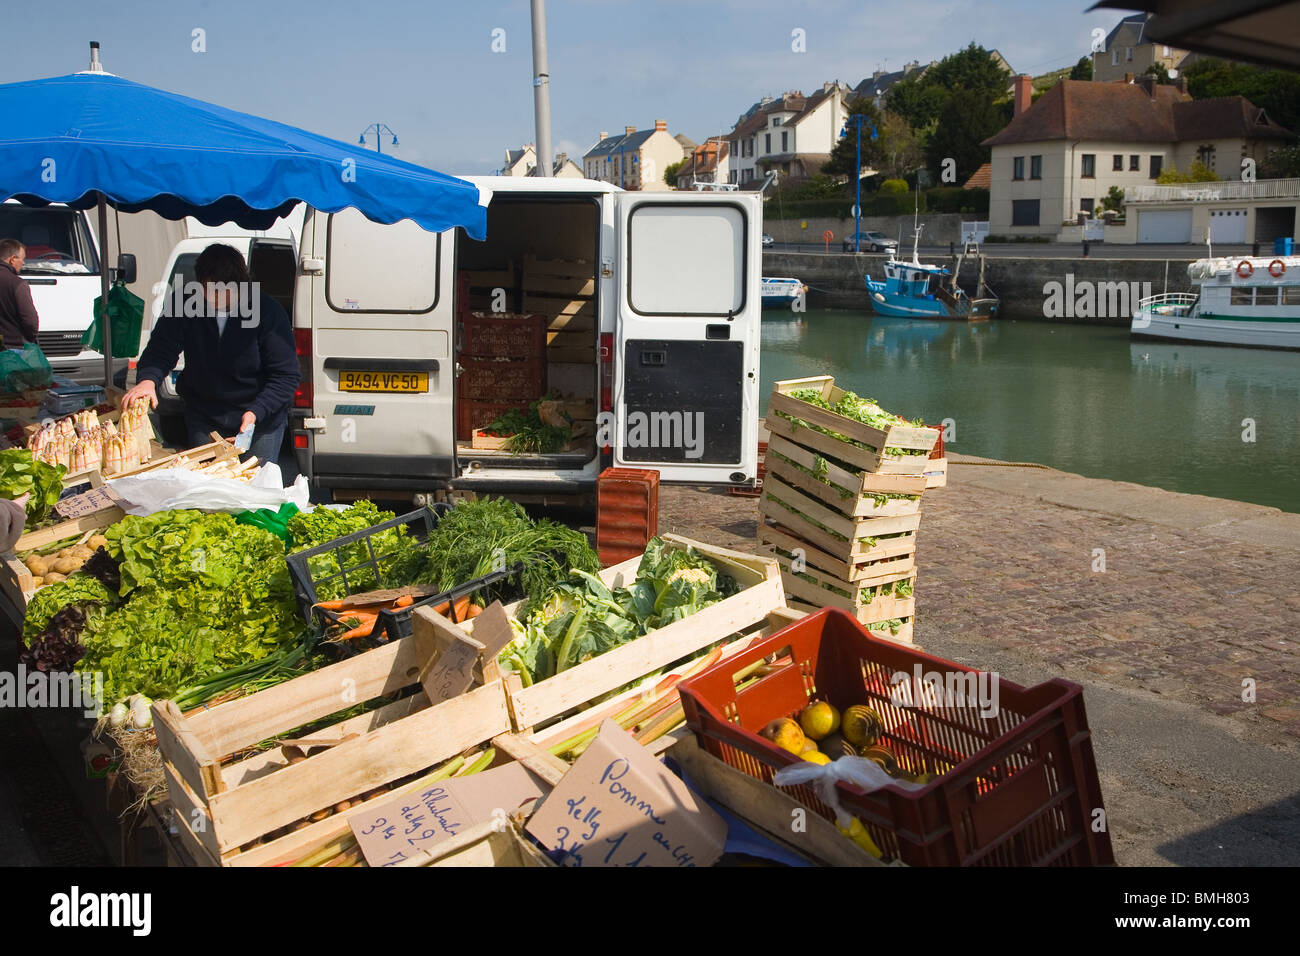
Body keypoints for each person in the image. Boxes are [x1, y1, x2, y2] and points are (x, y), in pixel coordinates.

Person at [124, 243, 298, 466]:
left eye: (228, 291)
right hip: (205, 415)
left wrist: (255, 412)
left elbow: (286, 376)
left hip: (260, 420)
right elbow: (160, 348)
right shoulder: (184, 302)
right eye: (211, 290)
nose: (218, 298)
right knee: (208, 485)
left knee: (255, 489)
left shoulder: (267, 311)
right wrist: (148, 380)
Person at [0, 239, 39, 350]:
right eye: (22, 259)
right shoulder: (17, 284)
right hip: (11, 349)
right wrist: (29, 338)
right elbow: (30, 322)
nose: (23, 263)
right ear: (12, 259)